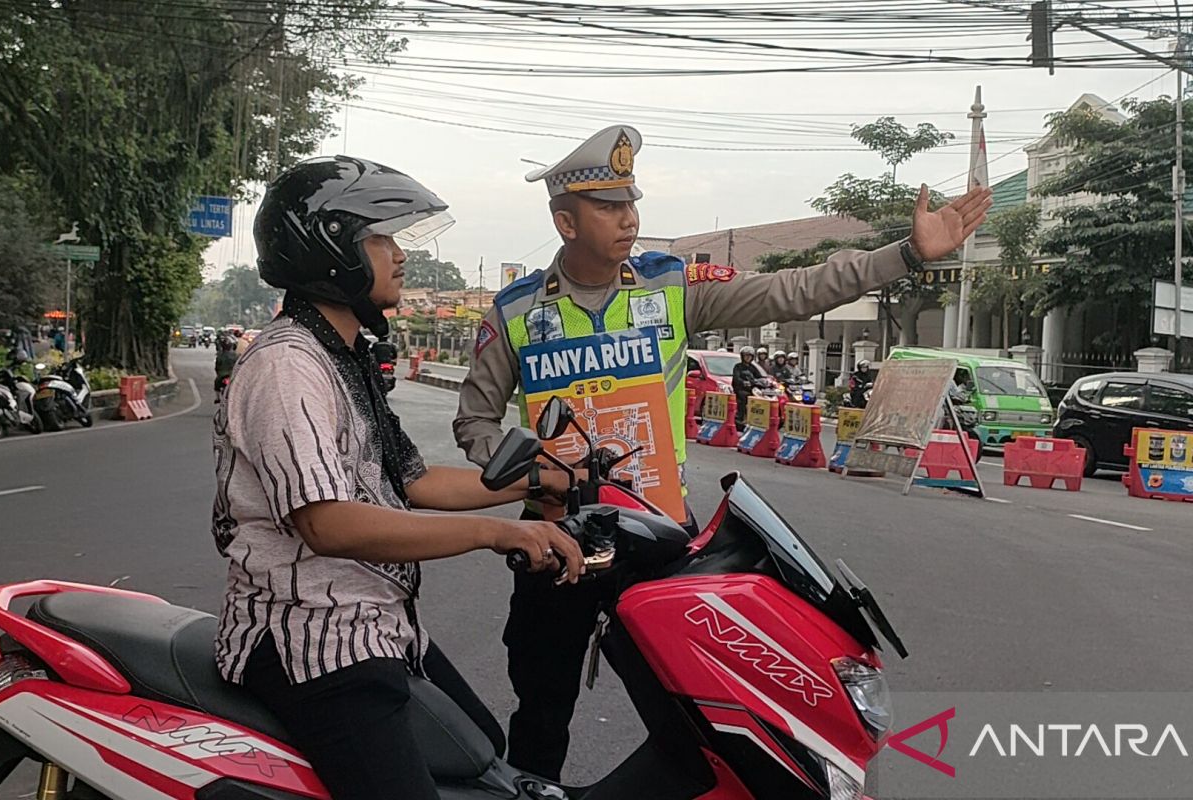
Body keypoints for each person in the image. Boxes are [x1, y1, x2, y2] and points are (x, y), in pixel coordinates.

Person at [452, 123, 992, 780]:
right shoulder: (514, 312)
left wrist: (907, 253)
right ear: (566, 222)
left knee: (693, 709)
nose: (629, 219)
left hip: (655, 536)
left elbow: (791, 289)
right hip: (554, 542)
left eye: (631, 204)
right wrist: (535, 472)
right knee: (541, 712)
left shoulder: (670, 287)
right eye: (609, 208)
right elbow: (476, 423)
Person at [211, 155, 586, 800]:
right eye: (379, 238)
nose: (399, 254)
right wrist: (495, 534)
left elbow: (412, 482)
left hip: (376, 623)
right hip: (312, 640)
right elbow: (326, 523)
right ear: (330, 250)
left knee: (481, 748)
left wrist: (535, 482)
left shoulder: (345, 355)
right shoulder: (287, 367)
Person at [731, 345, 764, 431]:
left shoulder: (753, 367)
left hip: (752, 390)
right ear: (742, 356)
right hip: (740, 390)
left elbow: (759, 377)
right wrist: (743, 382)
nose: (747, 358)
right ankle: (740, 418)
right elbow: (736, 378)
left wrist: (764, 381)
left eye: (749, 356)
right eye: (746, 356)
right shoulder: (738, 367)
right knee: (743, 398)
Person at [213, 336, 238, 402]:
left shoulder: (220, 355)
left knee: (216, 383)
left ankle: (217, 398)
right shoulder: (236, 355)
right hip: (232, 375)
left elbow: (216, 367)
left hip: (222, 375)